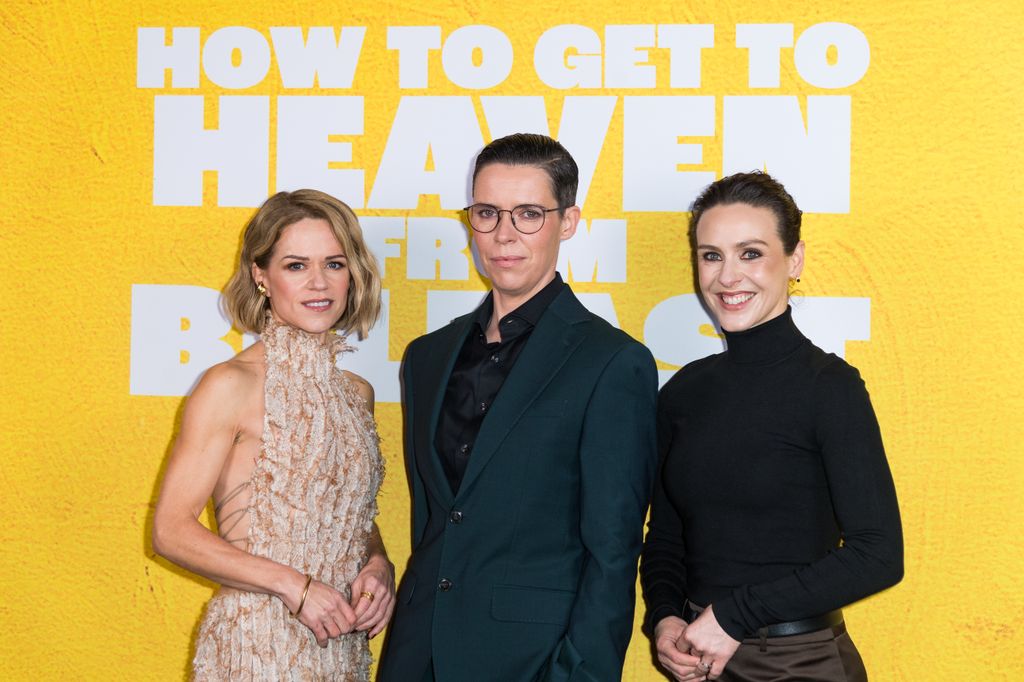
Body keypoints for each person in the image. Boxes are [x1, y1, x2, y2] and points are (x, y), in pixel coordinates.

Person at [378, 133, 658, 682]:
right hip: (416, 653)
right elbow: (436, 522)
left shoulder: (612, 362)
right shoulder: (427, 356)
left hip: (534, 662)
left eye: (529, 214)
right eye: (487, 213)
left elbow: (613, 552)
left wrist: (580, 674)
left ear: (569, 221)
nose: (503, 236)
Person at [640, 171, 903, 682]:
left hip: (801, 663)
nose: (727, 276)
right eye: (711, 255)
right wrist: (666, 617)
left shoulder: (829, 387)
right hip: (699, 660)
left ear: (794, 259)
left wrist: (735, 615)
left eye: (751, 253)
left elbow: (879, 554)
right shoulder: (683, 393)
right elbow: (667, 537)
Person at [151, 189, 395, 680]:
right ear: (261, 276)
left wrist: (379, 564)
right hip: (259, 645)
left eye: (335, 263)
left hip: (339, 646)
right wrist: (294, 587)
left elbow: (346, 513)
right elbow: (170, 530)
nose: (319, 283)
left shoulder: (357, 393)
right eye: (296, 266)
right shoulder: (229, 385)